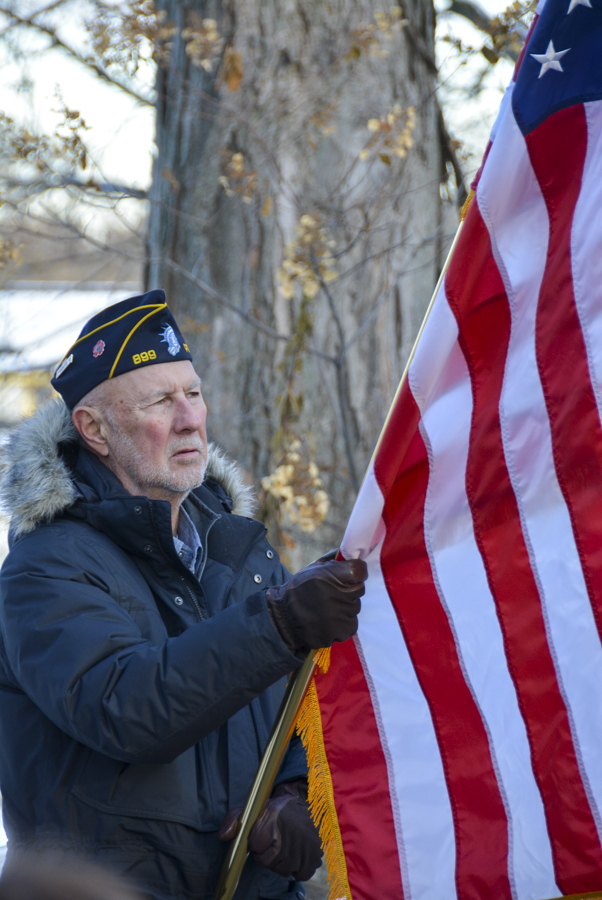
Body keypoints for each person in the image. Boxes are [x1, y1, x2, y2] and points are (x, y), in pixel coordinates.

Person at [0, 291, 367, 900]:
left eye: (193, 394)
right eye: (160, 401)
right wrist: (277, 626)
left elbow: (300, 706)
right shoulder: (45, 569)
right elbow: (126, 708)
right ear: (94, 430)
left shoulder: (237, 550)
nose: (191, 418)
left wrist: (295, 796)